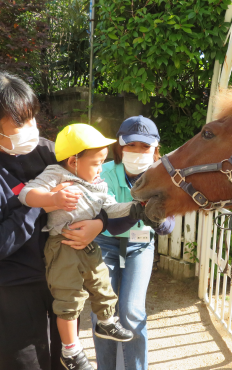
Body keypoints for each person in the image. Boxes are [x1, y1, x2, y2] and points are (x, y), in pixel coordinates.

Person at [0, 70, 106, 370]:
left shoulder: (46, 151)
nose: (32, 129)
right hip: (13, 295)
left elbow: (95, 188)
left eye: (32, 117)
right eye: (19, 123)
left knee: (66, 361)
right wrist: (40, 203)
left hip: (62, 281)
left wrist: (100, 224)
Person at [18, 123, 141, 370]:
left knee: (102, 283)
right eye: (95, 163)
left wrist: (137, 207)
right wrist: (52, 198)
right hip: (62, 247)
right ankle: (70, 351)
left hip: (88, 246)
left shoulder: (98, 184)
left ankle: (106, 321)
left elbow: (111, 208)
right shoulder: (57, 174)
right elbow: (26, 193)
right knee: (69, 299)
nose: (99, 169)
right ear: (74, 161)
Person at [90, 116, 175, 370]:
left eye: (145, 147)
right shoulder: (102, 172)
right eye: (132, 145)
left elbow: (168, 226)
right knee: (102, 312)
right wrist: (139, 211)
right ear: (120, 146)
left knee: (131, 311)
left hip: (140, 247)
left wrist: (156, 220)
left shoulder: (163, 176)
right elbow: (107, 221)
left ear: (155, 149)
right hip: (105, 243)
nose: (138, 151)